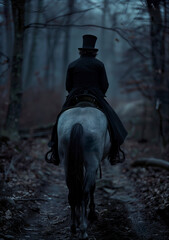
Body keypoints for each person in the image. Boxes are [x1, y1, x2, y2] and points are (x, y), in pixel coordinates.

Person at [45, 34, 127, 165]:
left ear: (80, 51)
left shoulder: (73, 65)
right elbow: (105, 85)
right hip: (95, 96)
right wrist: (99, 93)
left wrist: (74, 92)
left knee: (58, 121)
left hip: (74, 95)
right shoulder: (99, 65)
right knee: (113, 121)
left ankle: (54, 152)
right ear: (94, 52)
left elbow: (68, 85)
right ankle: (115, 153)